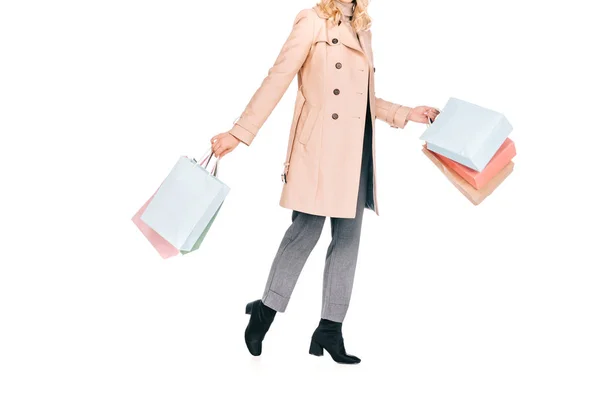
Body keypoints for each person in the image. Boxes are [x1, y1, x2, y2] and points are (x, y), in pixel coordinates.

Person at [211, 0, 439, 364]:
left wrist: (405, 114)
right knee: (304, 234)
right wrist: (239, 133)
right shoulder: (312, 22)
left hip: (355, 150)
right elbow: (278, 79)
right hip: (318, 151)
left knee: (348, 242)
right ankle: (265, 311)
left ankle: (330, 330)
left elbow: (360, 99)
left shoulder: (362, 25)